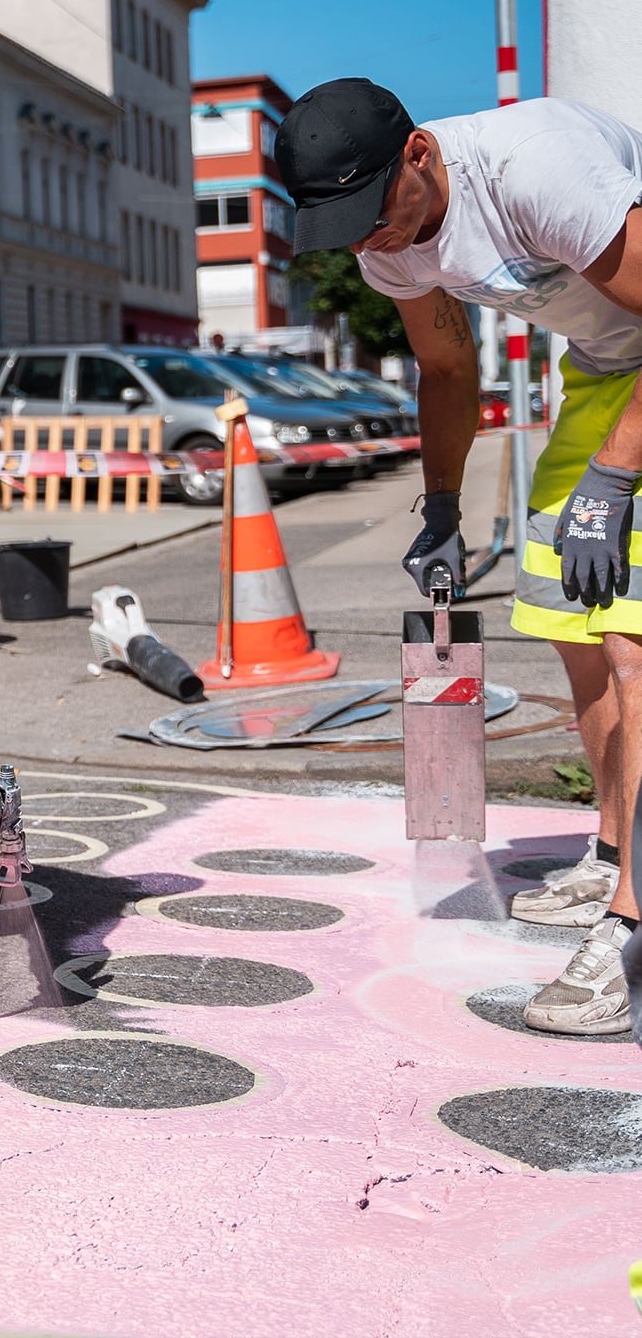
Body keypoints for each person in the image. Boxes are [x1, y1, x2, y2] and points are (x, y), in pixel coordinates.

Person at [277, 78, 642, 1040]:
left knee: (634, 642)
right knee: (569, 623)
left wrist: (613, 475)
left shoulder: (536, 169)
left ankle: (633, 931)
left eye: (375, 212)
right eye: (347, 229)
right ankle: (615, 854)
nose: (370, 241)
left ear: (419, 154)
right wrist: (440, 506)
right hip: (608, 373)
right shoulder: (388, 244)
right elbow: (444, 369)